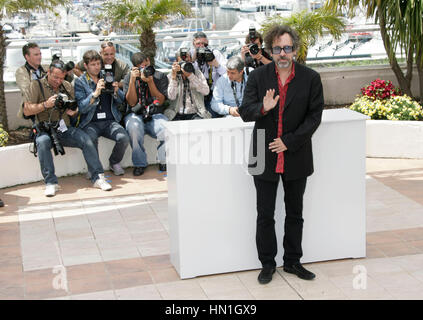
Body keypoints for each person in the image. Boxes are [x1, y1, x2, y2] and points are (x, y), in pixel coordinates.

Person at [239, 25, 324, 284]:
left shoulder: (311, 78)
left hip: (295, 154)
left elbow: (314, 117)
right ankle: (267, 264)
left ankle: (292, 262)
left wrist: (288, 142)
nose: (283, 53)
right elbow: (245, 111)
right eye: (277, 49)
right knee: (265, 214)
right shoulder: (257, 77)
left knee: (294, 213)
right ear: (270, 51)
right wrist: (263, 109)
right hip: (262, 154)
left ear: (295, 50)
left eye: (287, 48)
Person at [23, 60, 112, 197]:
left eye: (62, 77)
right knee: (42, 142)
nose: (58, 81)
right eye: (55, 77)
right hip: (45, 129)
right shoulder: (36, 85)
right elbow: (27, 110)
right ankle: (51, 183)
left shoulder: (67, 86)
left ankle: (98, 178)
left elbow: (75, 108)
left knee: (87, 140)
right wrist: (45, 105)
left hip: (64, 129)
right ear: (49, 72)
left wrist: (73, 111)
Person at [74, 50, 130, 176]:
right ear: (86, 65)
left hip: (110, 121)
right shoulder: (80, 82)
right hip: (90, 121)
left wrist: (116, 91)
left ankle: (114, 162)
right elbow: (82, 107)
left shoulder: (108, 76)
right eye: (93, 64)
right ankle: (94, 169)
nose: (97, 67)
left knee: (124, 138)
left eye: (98, 64)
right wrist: (95, 93)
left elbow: (121, 100)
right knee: (91, 139)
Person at [123, 52, 170, 175]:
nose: (145, 69)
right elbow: (131, 102)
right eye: (141, 67)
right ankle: (139, 163)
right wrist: (133, 81)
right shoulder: (129, 77)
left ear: (149, 61)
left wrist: (150, 82)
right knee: (134, 128)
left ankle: (163, 160)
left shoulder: (160, 76)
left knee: (167, 129)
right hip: (135, 114)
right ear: (135, 68)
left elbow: (160, 101)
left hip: (155, 114)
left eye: (146, 65)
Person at [166, 50, 211, 121]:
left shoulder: (197, 74)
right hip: (176, 113)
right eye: (182, 62)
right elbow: (171, 97)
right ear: (176, 62)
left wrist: (191, 76)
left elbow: (206, 91)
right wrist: (174, 78)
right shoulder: (171, 75)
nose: (185, 64)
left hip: (196, 113)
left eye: (188, 61)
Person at [191, 32, 227, 118]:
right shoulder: (190, 54)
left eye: (204, 43)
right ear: (193, 44)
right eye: (198, 44)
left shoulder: (215, 53)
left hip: (213, 94)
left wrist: (216, 64)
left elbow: (226, 73)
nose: (201, 46)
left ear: (208, 43)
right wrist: (192, 60)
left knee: (212, 116)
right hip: (196, 94)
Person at [15, 43, 48, 119]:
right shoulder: (21, 71)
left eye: (40, 54)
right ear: (27, 57)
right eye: (36, 55)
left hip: (46, 105)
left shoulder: (46, 68)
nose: (39, 57)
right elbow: (27, 90)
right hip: (31, 107)